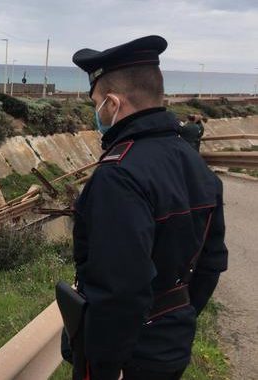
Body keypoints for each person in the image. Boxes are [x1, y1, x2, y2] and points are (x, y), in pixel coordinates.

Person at [60, 35, 228, 380]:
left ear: (112, 103)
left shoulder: (119, 176)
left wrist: (104, 369)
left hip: (127, 359)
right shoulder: (194, 164)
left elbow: (119, 291)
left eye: (95, 102)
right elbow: (210, 263)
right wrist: (175, 316)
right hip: (171, 347)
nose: (96, 112)